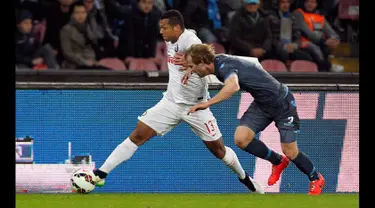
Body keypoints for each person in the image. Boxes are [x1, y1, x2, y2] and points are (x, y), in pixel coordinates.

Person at [92, 10, 264, 194]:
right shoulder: (171, 40)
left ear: (176, 28)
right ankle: (100, 174)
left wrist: (192, 63)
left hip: (196, 107)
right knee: (137, 135)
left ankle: (246, 180)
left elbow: (208, 57)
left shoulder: (189, 40)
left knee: (219, 150)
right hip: (171, 102)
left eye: (164, 28)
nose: (161, 32)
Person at [182, 43, 325, 195]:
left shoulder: (224, 67)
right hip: (262, 105)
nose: (191, 69)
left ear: (203, 63)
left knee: (290, 151)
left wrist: (207, 103)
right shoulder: (217, 62)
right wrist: (191, 70)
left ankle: (316, 178)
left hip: (282, 103)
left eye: (192, 66)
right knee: (241, 139)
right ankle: (278, 161)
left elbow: (233, 87)